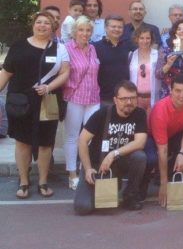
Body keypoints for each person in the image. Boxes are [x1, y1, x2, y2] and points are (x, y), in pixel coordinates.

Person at [0, 12, 70, 199]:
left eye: (47, 23)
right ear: (33, 25)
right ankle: (23, 182)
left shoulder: (60, 48)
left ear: (52, 27)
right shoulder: (18, 47)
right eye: (39, 22)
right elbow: (6, 73)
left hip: (49, 100)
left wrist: (48, 87)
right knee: (22, 142)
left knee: (46, 143)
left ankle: (43, 182)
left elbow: (65, 73)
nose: (42, 25)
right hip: (21, 102)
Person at [74, 81, 148, 214]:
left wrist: (113, 154)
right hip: (96, 164)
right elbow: (82, 140)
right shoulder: (102, 114)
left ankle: (129, 195)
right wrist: (88, 168)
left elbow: (140, 142)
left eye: (132, 98)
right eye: (124, 99)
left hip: (119, 163)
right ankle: (106, 188)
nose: (129, 102)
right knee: (83, 207)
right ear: (115, 100)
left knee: (140, 157)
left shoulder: (139, 114)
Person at [143, 74, 183, 206]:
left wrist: (182, 154)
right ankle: (144, 185)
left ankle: (180, 181)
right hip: (152, 135)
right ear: (171, 90)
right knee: (151, 158)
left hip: (176, 133)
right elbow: (162, 150)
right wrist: (163, 184)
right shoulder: (160, 110)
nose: (182, 95)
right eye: (178, 91)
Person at [63, 16, 101, 190]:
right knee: (72, 137)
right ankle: (72, 174)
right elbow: (62, 72)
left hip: (93, 98)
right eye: (81, 30)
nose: (85, 33)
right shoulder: (67, 48)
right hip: (75, 98)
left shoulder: (93, 48)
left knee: (90, 137)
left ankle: (85, 169)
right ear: (74, 31)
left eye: (88, 30)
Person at [93, 15, 131, 105]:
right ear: (106, 28)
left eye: (120, 27)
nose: (116, 29)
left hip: (124, 97)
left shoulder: (128, 46)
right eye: (113, 26)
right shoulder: (95, 47)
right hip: (103, 98)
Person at [156, 19, 183, 99]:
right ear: (175, 32)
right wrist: (168, 65)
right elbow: (158, 75)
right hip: (168, 93)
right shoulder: (165, 51)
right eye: (179, 29)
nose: (182, 31)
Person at [128, 25, 160, 118]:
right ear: (136, 39)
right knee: (138, 124)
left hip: (152, 98)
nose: (145, 41)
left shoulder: (158, 55)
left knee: (151, 124)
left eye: (147, 38)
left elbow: (161, 74)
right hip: (136, 99)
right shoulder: (131, 55)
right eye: (141, 38)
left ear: (151, 39)